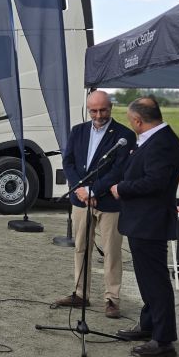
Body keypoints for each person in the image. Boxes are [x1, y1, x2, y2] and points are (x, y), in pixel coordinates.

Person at [110, 97, 179, 357]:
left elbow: (155, 182)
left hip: (151, 221)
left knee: (155, 281)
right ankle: (149, 325)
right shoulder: (154, 139)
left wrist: (122, 188)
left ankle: (163, 339)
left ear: (137, 120)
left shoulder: (163, 143)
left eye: (131, 120)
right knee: (146, 278)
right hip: (142, 220)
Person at [54, 90, 134, 318]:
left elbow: (119, 169)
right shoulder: (78, 131)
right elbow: (68, 162)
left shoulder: (124, 135)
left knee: (112, 251)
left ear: (111, 108)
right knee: (81, 247)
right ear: (88, 109)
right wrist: (81, 190)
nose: (98, 115)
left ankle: (112, 299)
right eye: (94, 111)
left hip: (109, 202)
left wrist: (93, 190)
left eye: (103, 110)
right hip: (81, 200)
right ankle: (81, 294)